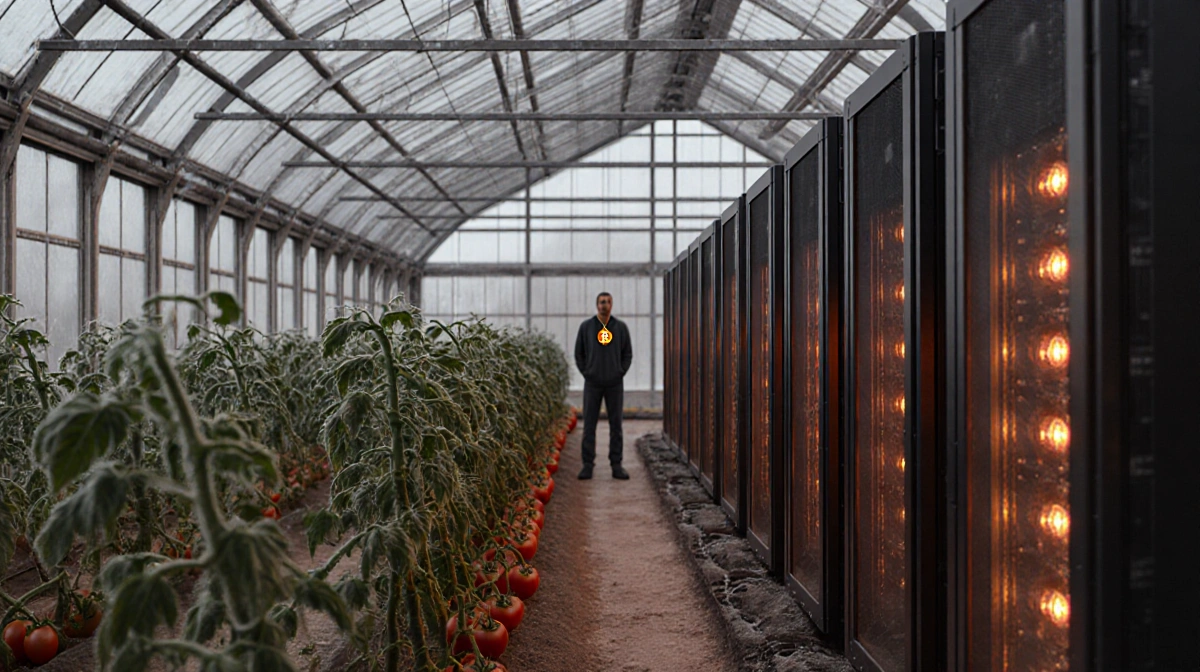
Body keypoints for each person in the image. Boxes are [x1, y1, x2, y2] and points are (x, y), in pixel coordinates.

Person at [573, 291, 632, 480]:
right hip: (593, 384)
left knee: (616, 425)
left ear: (611, 305)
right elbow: (578, 353)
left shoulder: (620, 328)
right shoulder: (587, 327)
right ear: (596, 305)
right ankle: (587, 465)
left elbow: (627, 354)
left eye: (607, 302)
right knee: (589, 424)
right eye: (601, 302)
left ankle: (616, 465)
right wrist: (587, 372)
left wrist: (619, 372)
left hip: (614, 384)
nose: (604, 305)